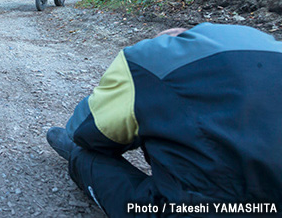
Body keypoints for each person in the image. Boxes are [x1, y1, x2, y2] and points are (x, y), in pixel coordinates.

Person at [47, 23, 282, 217]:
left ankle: (76, 159)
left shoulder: (147, 59)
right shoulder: (269, 47)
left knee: (86, 152)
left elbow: (88, 132)